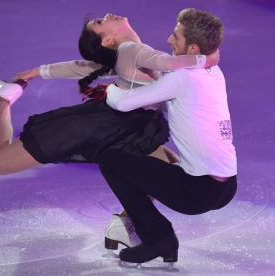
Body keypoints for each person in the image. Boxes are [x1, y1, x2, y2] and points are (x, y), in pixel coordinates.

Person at [0, 13, 219, 252]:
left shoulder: (126, 52)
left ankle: (123, 225)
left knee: (168, 173)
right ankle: (4, 99)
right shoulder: (133, 50)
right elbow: (168, 64)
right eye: (99, 23)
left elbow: (79, 68)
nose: (106, 15)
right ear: (106, 41)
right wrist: (205, 59)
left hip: (130, 128)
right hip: (99, 127)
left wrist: (36, 72)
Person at [98, 8, 237, 265]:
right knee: (162, 157)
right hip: (227, 187)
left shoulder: (183, 77)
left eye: (176, 37)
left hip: (198, 192)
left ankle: (158, 238)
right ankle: (139, 229)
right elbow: (178, 103)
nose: (169, 41)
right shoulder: (214, 72)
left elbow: (124, 104)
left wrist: (108, 90)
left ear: (193, 50)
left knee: (109, 160)